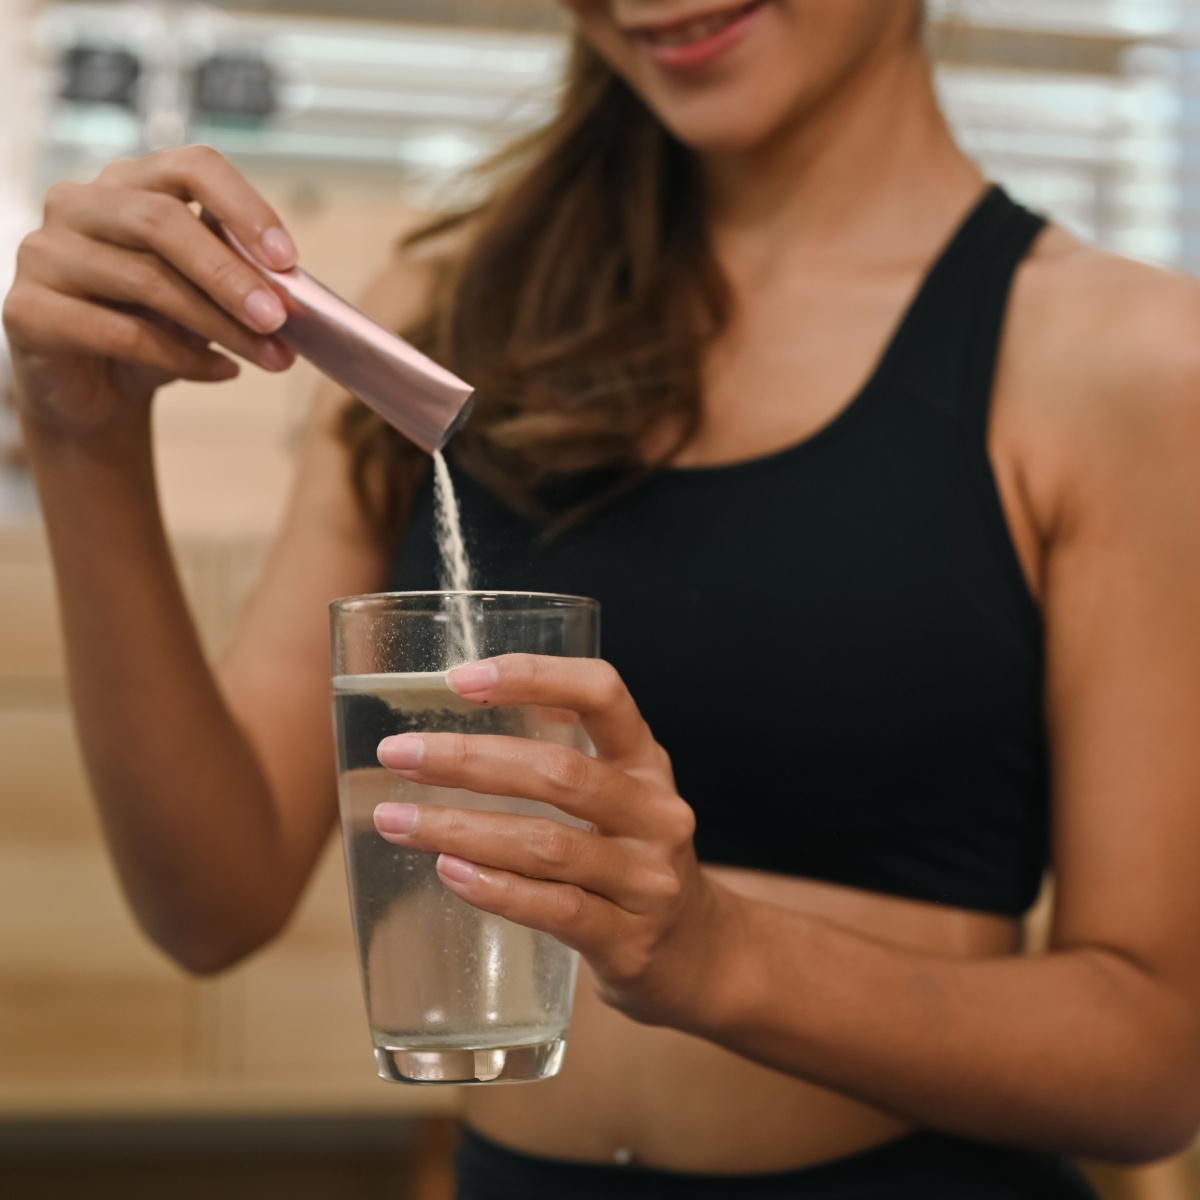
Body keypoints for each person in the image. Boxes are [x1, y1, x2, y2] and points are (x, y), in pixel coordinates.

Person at [6, 2, 1200, 1196]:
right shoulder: (436, 319)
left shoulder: (1122, 359)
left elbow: (1155, 1062)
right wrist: (83, 442)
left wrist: (718, 957)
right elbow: (213, 900)